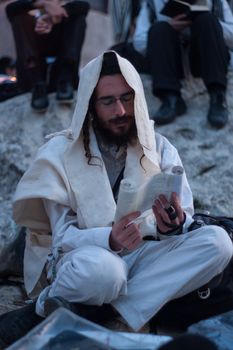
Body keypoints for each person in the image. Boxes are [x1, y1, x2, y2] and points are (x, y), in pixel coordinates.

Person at [0, 51, 232, 347]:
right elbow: (62, 239)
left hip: (146, 254)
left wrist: (173, 223)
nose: (121, 110)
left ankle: (111, 314)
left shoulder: (159, 147)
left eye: (127, 98)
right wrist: (109, 239)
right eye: (108, 101)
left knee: (218, 243)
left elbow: (185, 216)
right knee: (105, 273)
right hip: (86, 257)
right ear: (90, 106)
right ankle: (84, 306)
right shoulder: (59, 154)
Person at [130, 0, 233, 128]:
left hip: (205, 59)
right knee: (159, 29)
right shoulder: (152, 3)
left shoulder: (216, 2)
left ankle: (218, 98)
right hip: (171, 61)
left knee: (207, 20)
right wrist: (169, 26)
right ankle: (170, 99)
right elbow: (139, 42)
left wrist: (205, 23)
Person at [6, 0, 90, 112]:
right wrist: (45, 4)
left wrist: (57, 14)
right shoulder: (27, 11)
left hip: (61, 72)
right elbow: (11, 8)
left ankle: (65, 78)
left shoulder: (69, 11)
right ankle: (36, 84)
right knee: (19, 17)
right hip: (32, 74)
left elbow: (84, 6)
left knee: (78, 18)